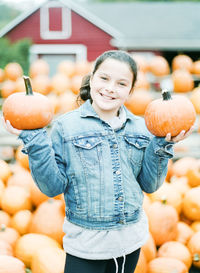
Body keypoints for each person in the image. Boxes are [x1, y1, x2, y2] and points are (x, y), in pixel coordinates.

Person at [2, 50, 194, 273]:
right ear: (92, 78)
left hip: (129, 243)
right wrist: (34, 139)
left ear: (130, 91)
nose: (110, 88)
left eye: (121, 83)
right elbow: (52, 187)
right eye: (104, 78)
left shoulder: (141, 128)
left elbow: (150, 185)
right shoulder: (66, 127)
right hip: (85, 246)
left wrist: (162, 145)